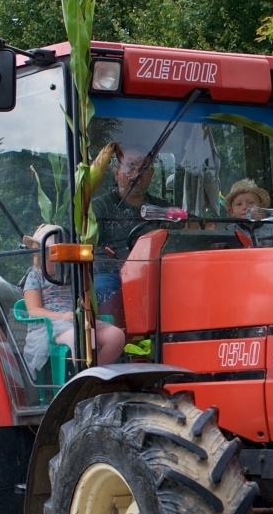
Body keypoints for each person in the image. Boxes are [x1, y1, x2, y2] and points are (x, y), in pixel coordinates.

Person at [22, 224, 126, 375]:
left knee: (116, 336)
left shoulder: (74, 275)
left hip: (77, 319)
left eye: (44, 255)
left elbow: (84, 299)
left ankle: (92, 376)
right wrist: (62, 316)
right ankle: (80, 381)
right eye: (36, 255)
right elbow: (34, 310)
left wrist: (85, 308)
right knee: (79, 338)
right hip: (51, 325)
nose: (37, 260)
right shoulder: (34, 276)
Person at [88, 143, 169, 309]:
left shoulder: (163, 209)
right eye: (131, 166)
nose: (137, 173)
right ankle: (109, 334)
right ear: (116, 173)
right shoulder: (98, 208)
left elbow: (197, 225)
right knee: (103, 290)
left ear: (152, 174)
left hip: (155, 274)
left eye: (144, 167)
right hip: (111, 274)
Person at [225, 178, 273, 247]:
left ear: (260, 207)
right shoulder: (228, 232)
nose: (245, 207)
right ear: (232, 211)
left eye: (251, 203)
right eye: (239, 204)